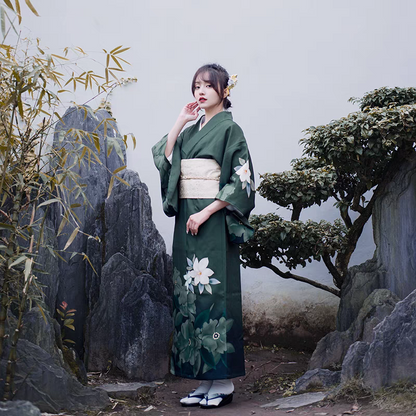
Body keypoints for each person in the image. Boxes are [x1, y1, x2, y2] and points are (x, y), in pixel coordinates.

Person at [152, 63, 255, 409]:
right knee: (190, 294)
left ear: (224, 91)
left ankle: (223, 380)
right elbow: (168, 161)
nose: (201, 91)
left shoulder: (231, 130)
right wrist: (180, 120)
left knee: (215, 292)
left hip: (210, 221)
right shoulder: (193, 129)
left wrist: (207, 211)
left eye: (209, 86)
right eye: (197, 85)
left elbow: (240, 181)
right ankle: (203, 379)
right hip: (187, 218)